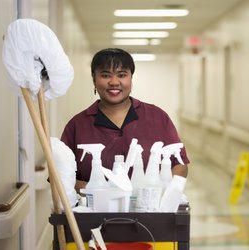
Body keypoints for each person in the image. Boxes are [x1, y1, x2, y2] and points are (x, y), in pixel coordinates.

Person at [61, 48, 189, 193]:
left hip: (150, 209)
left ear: (131, 78)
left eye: (122, 75)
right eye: (105, 75)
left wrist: (165, 193)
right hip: (93, 211)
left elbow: (180, 164)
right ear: (94, 79)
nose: (114, 82)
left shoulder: (157, 117)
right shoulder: (77, 125)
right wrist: (96, 191)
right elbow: (60, 175)